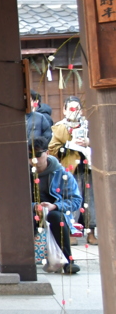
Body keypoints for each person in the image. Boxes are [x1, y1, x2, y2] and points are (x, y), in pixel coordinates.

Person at [29, 136, 82, 275]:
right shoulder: (22, 173)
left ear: (47, 153)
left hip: (54, 211)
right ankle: (24, 261)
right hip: (29, 210)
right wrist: (34, 206)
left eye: (38, 155)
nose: (33, 160)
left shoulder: (62, 173)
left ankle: (68, 262)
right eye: (29, 156)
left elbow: (75, 200)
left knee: (56, 217)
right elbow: (14, 200)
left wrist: (55, 206)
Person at [49, 96, 95, 244]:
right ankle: (70, 231)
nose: (74, 112)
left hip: (88, 167)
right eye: (71, 109)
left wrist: (89, 142)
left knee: (90, 201)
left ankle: (91, 232)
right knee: (72, 200)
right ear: (64, 110)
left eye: (77, 109)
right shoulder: (59, 128)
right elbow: (53, 149)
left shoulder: (89, 126)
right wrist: (69, 144)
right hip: (69, 169)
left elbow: (102, 142)